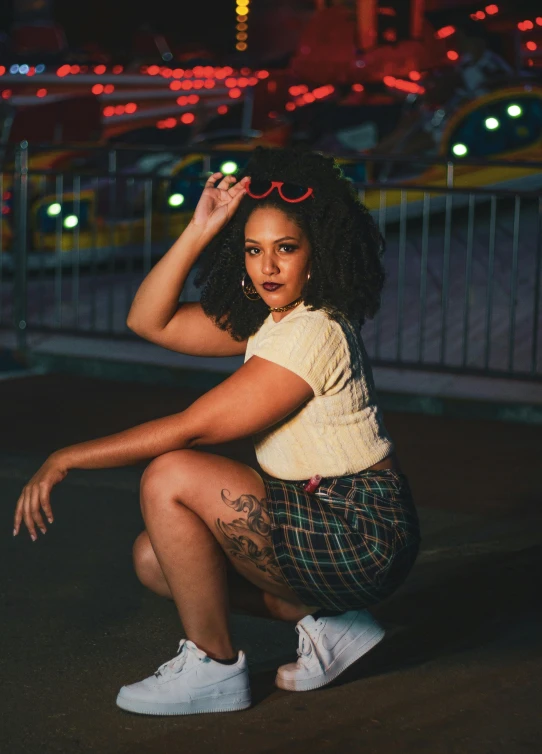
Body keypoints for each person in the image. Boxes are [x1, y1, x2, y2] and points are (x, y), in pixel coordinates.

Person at [13, 146, 421, 716]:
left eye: (286, 249)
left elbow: (192, 429)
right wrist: (200, 229)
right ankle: (331, 626)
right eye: (254, 250)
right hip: (320, 514)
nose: (267, 267)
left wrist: (66, 457)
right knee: (158, 560)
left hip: (361, 529)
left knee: (172, 472)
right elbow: (147, 320)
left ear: (317, 254)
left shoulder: (314, 332)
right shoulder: (273, 322)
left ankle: (214, 668)